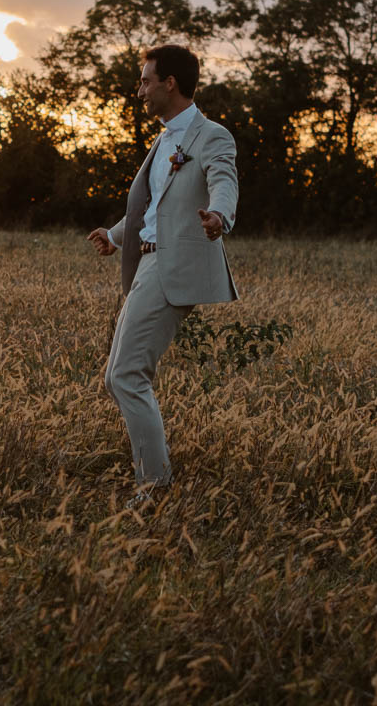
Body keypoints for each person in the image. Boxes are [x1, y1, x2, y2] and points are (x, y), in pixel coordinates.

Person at [87, 44, 238, 496]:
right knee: (118, 376)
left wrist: (219, 215)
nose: (140, 91)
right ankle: (154, 479)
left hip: (173, 265)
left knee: (126, 376)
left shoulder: (212, 136)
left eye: (145, 81)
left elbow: (223, 181)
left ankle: (154, 486)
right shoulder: (164, 138)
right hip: (146, 260)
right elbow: (156, 205)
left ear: (169, 83)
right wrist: (116, 235)